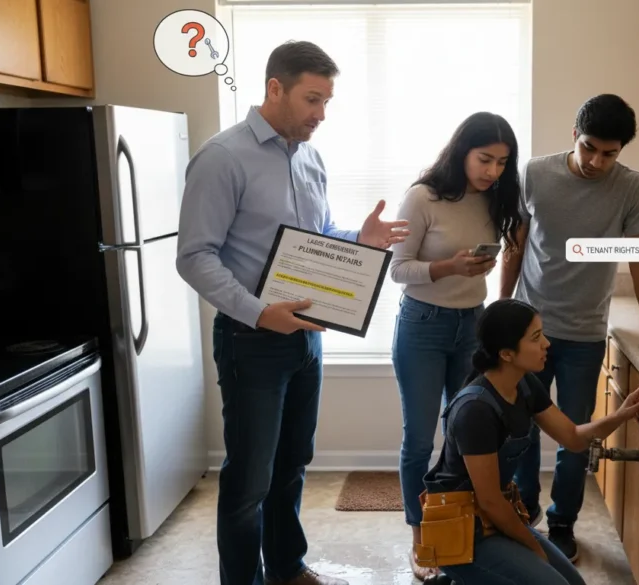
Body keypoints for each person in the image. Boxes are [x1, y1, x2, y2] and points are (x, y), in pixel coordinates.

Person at [175, 40, 410, 585]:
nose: (320, 115)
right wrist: (260, 313)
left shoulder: (309, 156)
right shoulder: (222, 157)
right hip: (250, 340)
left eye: (327, 101)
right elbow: (194, 257)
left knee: (292, 465)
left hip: (308, 337)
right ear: (274, 88)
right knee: (249, 479)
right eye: (312, 99)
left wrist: (360, 238)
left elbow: (316, 239)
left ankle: (286, 566)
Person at [499, 93, 639, 562]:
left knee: (576, 435)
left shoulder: (631, 187)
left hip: (583, 334)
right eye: (589, 148)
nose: (597, 161)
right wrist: (501, 309)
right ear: (574, 136)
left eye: (609, 153)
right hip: (528, 332)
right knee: (519, 427)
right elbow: (515, 247)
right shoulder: (536, 174)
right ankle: (523, 511)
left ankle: (562, 523)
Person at [418, 298, 639, 585]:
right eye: (536, 338)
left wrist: (621, 415)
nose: (547, 344)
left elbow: (574, 438)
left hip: (491, 520)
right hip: (463, 534)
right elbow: (491, 501)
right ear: (506, 353)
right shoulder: (475, 410)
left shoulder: (525, 385)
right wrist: (533, 548)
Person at [387, 112, 524, 581]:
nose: (492, 171)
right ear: (461, 150)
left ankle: (464, 531)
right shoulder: (423, 196)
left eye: (502, 162)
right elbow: (397, 270)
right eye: (484, 159)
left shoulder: (496, 198)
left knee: (466, 438)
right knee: (420, 440)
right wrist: (449, 267)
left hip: (473, 324)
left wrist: (479, 271)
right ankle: (421, 539)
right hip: (422, 326)